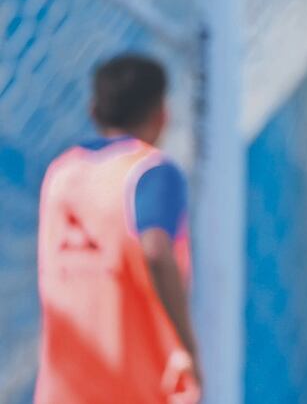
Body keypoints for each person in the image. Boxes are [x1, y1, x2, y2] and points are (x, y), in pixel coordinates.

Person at [36, 54, 200, 403]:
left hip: (59, 392)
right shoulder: (151, 172)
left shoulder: (60, 172)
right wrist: (189, 347)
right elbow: (156, 250)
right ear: (162, 114)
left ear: (94, 110)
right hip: (134, 390)